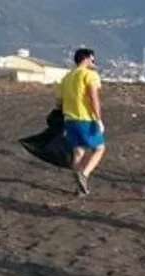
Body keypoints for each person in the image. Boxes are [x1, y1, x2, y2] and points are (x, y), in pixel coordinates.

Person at [57, 48, 105, 196]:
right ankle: (84, 174)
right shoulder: (89, 75)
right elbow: (93, 98)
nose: (94, 62)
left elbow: (58, 103)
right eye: (93, 59)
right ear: (86, 59)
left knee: (78, 152)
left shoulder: (66, 77)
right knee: (99, 148)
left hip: (69, 119)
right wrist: (99, 119)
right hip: (85, 118)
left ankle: (80, 189)